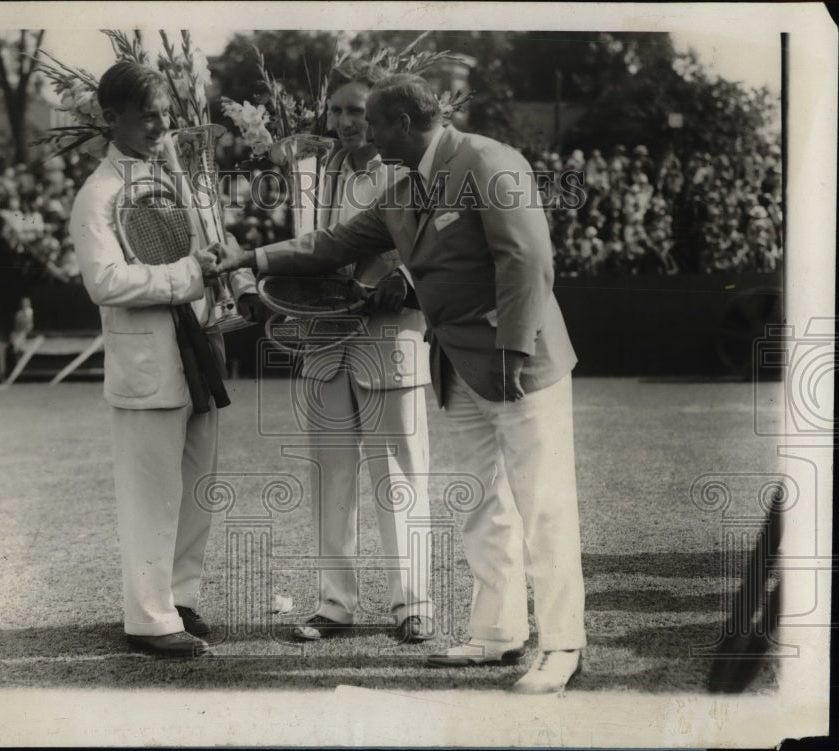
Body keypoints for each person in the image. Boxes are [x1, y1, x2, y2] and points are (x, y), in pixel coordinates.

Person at [215, 73, 586, 694]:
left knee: (543, 505)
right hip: (460, 368)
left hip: (519, 366)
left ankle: (563, 645)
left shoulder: (487, 160)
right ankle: (498, 632)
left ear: (404, 123)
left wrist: (514, 350)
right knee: (483, 501)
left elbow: (527, 260)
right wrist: (252, 259)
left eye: (374, 122)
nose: (363, 132)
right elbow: (334, 243)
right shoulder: (404, 187)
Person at [69, 60, 241, 659]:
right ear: (110, 118)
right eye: (147, 115)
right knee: (151, 495)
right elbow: (105, 282)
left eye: (165, 112)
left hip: (197, 348)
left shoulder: (171, 177)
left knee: (196, 487)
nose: (161, 124)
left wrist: (220, 265)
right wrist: (190, 274)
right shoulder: (97, 195)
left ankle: (180, 598)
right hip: (147, 363)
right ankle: (147, 618)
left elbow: (207, 247)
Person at [288, 69, 435, 644]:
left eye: (356, 111)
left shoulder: (407, 169)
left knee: (399, 475)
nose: (345, 122)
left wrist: (404, 278)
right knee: (332, 475)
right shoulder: (312, 173)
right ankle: (335, 603)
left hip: (388, 335)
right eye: (337, 111)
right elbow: (307, 247)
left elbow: (438, 243)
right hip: (325, 338)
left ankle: (412, 603)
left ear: (377, 116)